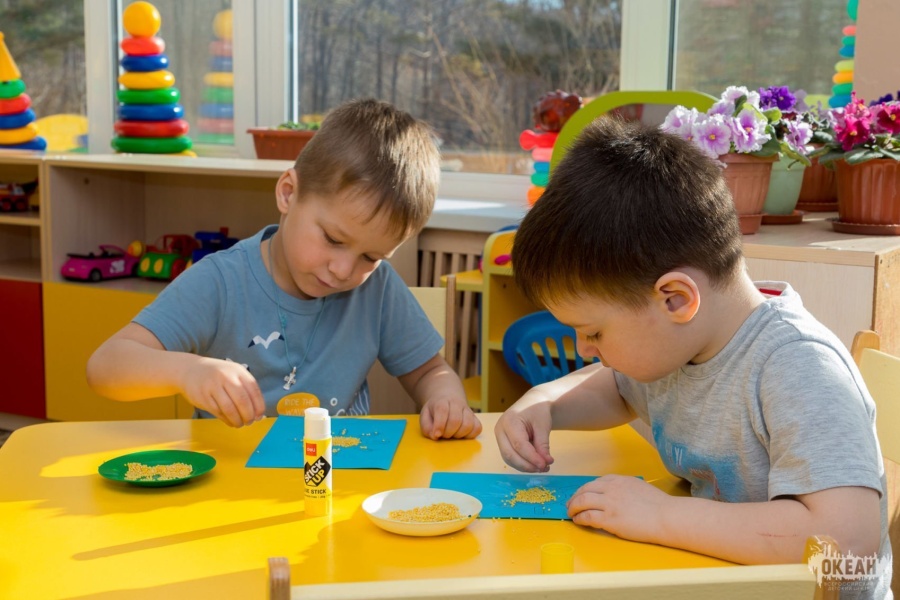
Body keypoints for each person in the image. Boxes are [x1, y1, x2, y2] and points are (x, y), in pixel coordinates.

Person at [495, 117, 890, 597]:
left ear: (676, 299)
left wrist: (661, 515)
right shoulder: (679, 343)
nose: (584, 350)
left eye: (594, 332)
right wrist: (545, 403)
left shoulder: (799, 367)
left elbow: (846, 545)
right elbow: (616, 389)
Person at [87, 98, 482, 441]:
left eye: (371, 257)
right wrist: (188, 372)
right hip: (233, 479)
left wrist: (445, 399)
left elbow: (429, 372)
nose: (343, 269)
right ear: (288, 193)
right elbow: (105, 367)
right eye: (333, 238)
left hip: (340, 480)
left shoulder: (376, 288)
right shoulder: (220, 282)